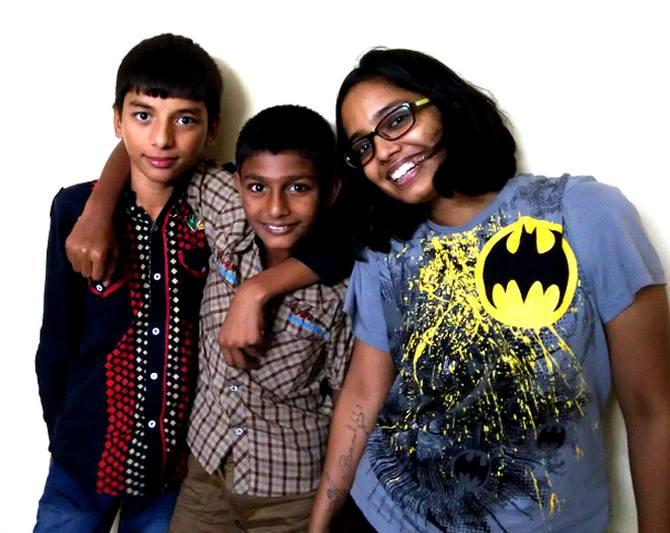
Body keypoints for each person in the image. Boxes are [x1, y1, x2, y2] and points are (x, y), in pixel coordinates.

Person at [309, 48, 670, 533]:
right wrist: (321, 520)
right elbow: (363, 392)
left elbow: (652, 408)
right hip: (380, 517)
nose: (384, 151)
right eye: (363, 147)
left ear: (445, 104)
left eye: (395, 120)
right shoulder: (384, 250)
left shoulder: (581, 213)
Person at [65, 104, 354, 532]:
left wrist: (323, 520)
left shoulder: (344, 294)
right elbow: (150, 150)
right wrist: (97, 207)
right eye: (257, 187)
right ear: (238, 184)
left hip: (289, 491)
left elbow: (352, 406)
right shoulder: (229, 217)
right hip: (206, 474)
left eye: (297, 188)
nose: (275, 208)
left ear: (330, 191)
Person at [34, 33, 222, 532]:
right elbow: (56, 339)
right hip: (82, 460)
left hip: (177, 469)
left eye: (185, 119)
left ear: (211, 128)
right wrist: (64, 434)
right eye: (142, 116)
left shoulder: (222, 211)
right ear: (117, 120)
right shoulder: (76, 210)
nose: (161, 139)